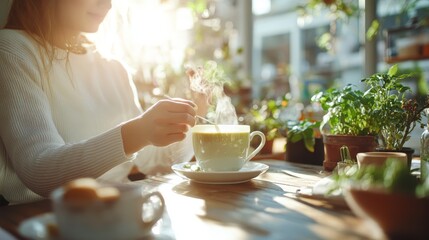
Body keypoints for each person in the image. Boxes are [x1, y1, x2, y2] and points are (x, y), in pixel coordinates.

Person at [0, 0, 207, 204]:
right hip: (42, 221)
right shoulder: (12, 50)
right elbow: (40, 170)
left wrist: (188, 121)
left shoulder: (113, 67)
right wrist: (139, 132)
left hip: (121, 213)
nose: (107, 4)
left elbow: (151, 161)